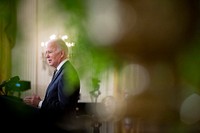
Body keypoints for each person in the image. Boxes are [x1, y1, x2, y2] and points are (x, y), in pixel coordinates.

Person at [23, 38, 81, 132]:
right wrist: (42, 101)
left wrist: (39, 103)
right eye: (46, 53)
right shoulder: (60, 71)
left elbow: (63, 109)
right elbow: (56, 101)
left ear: (61, 54)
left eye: (49, 52)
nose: (46, 56)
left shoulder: (66, 73)